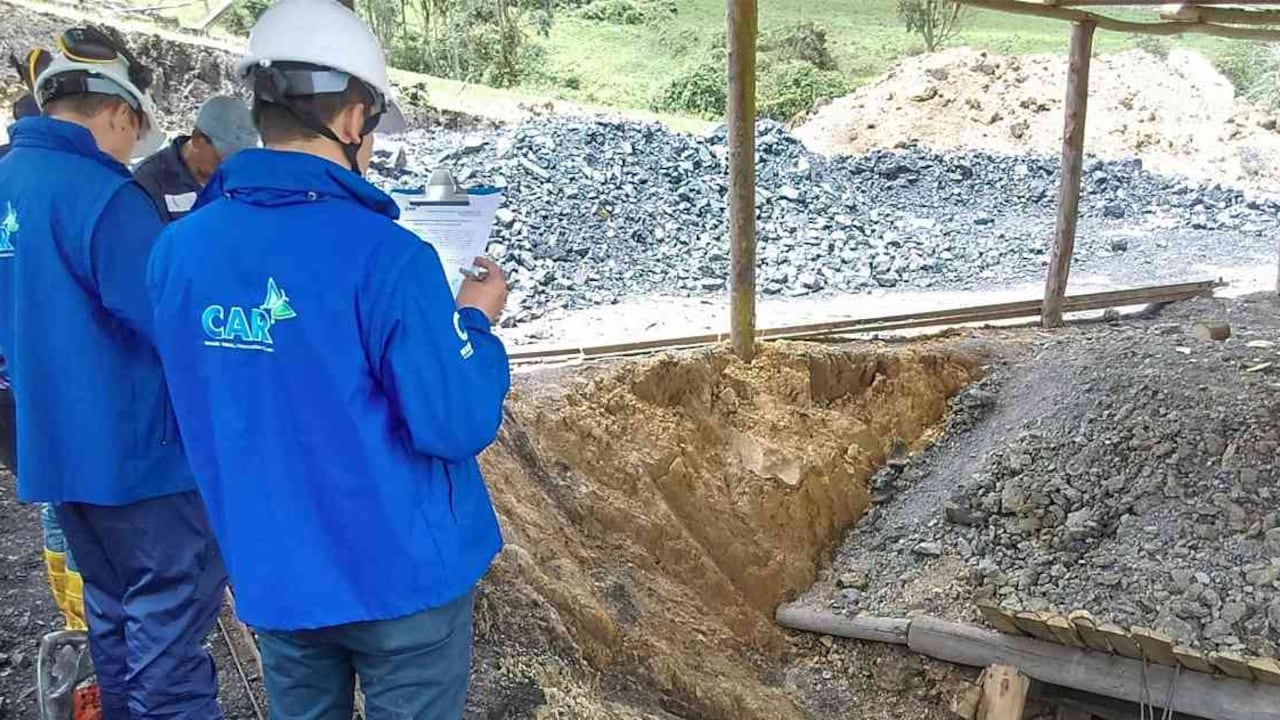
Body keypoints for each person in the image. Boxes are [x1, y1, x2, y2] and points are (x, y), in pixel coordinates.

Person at [148, 0, 510, 716]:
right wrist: (474, 320)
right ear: (351, 120)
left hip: (276, 574)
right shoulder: (389, 256)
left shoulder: (176, 251)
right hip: (401, 578)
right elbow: (455, 421)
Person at [0, 26, 226, 719]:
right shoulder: (102, 195)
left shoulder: (9, 181)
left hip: (57, 453)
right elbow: (175, 324)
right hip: (141, 463)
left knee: (115, 621)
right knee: (168, 641)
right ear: (120, 113)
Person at [133, 95, 257, 222]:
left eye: (239, 161)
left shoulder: (242, 182)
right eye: (224, 157)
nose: (230, 168)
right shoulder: (147, 183)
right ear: (198, 139)